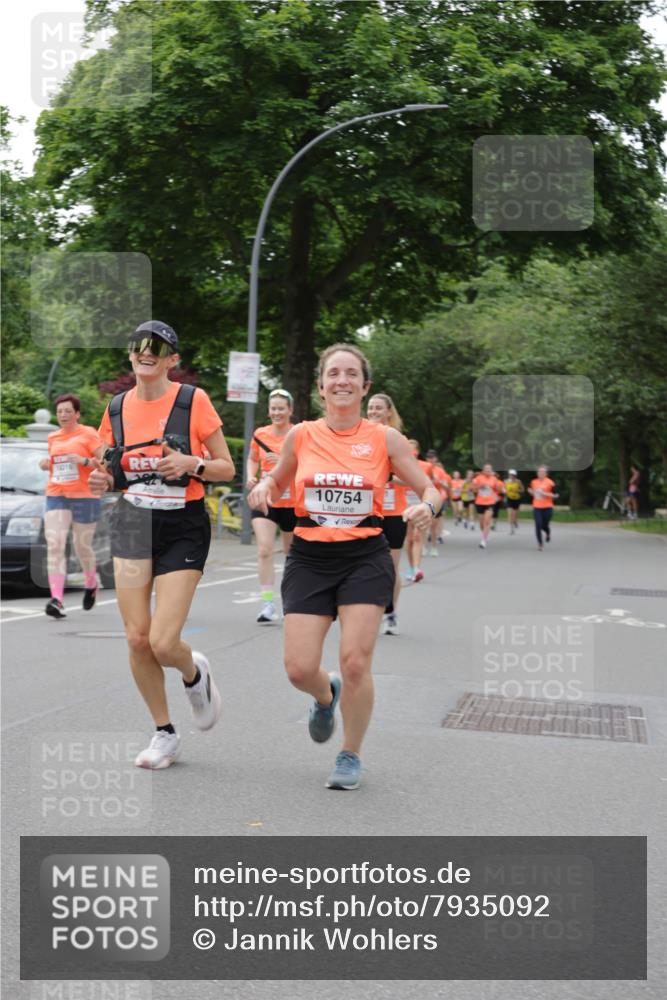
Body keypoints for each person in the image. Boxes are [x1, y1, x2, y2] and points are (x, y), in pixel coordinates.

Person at [248, 344, 440, 790]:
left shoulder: (384, 439)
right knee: (298, 668)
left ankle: (350, 754)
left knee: (355, 662)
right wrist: (264, 486)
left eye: (351, 374)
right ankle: (323, 694)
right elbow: (279, 476)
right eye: (333, 373)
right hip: (311, 557)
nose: (342, 381)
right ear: (320, 385)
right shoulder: (302, 435)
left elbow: (428, 486)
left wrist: (427, 507)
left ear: (365, 385)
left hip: (364, 557)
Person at [89, 320, 235, 770]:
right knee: (137, 639)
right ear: (131, 355)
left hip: (183, 524)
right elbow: (109, 470)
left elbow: (226, 468)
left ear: (172, 359)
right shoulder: (115, 408)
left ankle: (195, 674)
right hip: (132, 521)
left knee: (164, 642)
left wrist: (193, 463)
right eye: (138, 346)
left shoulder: (193, 401)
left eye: (158, 347)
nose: (145, 352)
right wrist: (101, 480)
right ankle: (164, 733)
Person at [39, 394, 105, 619]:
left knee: (81, 546)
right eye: (59, 412)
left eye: (68, 411)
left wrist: (83, 461)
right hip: (57, 493)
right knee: (55, 544)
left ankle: (91, 584)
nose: (63, 415)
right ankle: (57, 600)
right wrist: (46, 464)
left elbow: (104, 462)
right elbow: (54, 463)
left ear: (77, 413)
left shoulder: (88, 433)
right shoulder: (52, 437)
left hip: (85, 495)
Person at [246, 389, 296, 622]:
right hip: (266, 499)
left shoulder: (298, 434)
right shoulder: (260, 433)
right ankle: (267, 603)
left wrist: (284, 462)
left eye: (281, 408)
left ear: (290, 410)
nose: (276, 412)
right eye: (273, 408)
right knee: (264, 549)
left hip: (294, 501)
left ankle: (291, 599)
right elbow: (253, 458)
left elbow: (310, 463)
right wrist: (250, 476)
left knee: (291, 553)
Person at [367, 392, 407, 635]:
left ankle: (391, 613)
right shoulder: (359, 438)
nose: (373, 412)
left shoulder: (396, 439)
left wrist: (387, 476)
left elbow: (410, 479)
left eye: (378, 408)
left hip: (393, 513)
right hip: (367, 510)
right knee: (365, 565)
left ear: (389, 412)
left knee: (390, 567)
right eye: (370, 407)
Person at [402, 440, 434, 581]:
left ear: (418, 451)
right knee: (409, 539)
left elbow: (431, 486)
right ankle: (411, 567)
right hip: (405, 505)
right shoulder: (399, 465)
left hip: (421, 505)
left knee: (418, 537)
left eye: (413, 450)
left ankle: (416, 569)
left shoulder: (426, 466)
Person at [471, 463, 505, 549]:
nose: (488, 471)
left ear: (491, 471)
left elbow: (499, 490)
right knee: (481, 524)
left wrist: (500, 488)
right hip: (480, 502)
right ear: (483, 470)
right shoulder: (478, 478)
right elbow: (472, 489)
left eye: (489, 469)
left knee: (487, 521)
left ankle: (483, 540)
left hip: (490, 502)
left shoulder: (494, 479)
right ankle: (485, 535)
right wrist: (479, 486)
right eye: (486, 469)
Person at [425, 450, 450, 556]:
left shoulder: (440, 471)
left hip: (436, 500)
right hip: (424, 499)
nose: (431, 459)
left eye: (433, 457)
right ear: (426, 459)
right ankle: (422, 546)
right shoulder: (422, 468)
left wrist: (439, 482)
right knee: (424, 524)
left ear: (436, 459)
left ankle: (434, 547)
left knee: (434, 525)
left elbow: (447, 487)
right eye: (429, 457)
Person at [528, 465, 559, 550]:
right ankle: (540, 543)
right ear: (537, 473)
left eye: (543, 472)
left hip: (548, 506)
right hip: (537, 506)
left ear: (546, 474)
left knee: (544, 524)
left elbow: (556, 495)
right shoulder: (533, 482)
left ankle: (548, 532)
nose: (541, 473)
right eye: (539, 472)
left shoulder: (550, 482)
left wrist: (546, 494)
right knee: (538, 524)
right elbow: (530, 490)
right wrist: (530, 491)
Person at [504, 469, 525, 534]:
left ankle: (515, 521)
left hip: (516, 499)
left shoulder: (518, 482)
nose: (511, 476)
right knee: (510, 514)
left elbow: (522, 490)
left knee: (515, 515)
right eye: (510, 475)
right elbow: (503, 489)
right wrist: (505, 492)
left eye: (513, 475)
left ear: (515, 475)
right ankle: (511, 529)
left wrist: (517, 490)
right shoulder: (506, 481)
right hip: (509, 498)